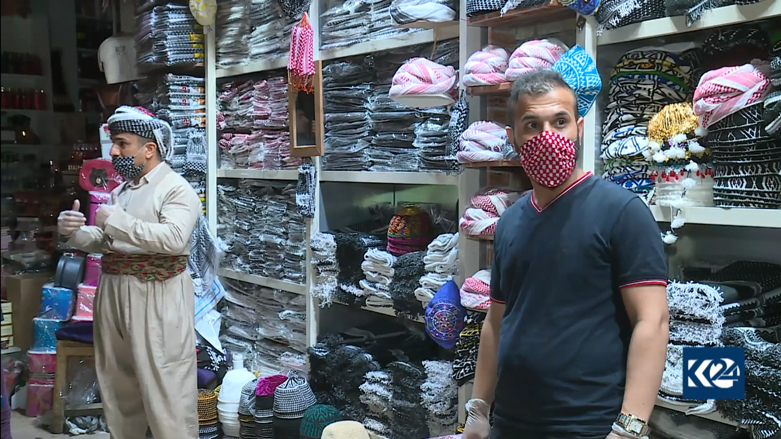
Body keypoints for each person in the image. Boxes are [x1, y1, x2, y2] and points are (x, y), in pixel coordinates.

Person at [464, 69, 669, 439]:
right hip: (509, 423)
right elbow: (496, 320)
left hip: (588, 426)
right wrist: (479, 408)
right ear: (513, 138)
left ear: (579, 128)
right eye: (532, 125)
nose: (548, 135)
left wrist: (629, 428)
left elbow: (652, 321)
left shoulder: (622, 212)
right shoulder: (510, 222)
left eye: (560, 121)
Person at [57, 106, 202, 439]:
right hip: (114, 294)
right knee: (118, 384)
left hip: (157, 292)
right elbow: (108, 240)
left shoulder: (176, 189)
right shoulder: (122, 191)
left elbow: (174, 239)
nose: (114, 152)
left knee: (166, 386)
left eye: (122, 143)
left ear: (149, 149)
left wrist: (116, 221)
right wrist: (72, 232)